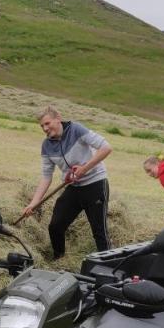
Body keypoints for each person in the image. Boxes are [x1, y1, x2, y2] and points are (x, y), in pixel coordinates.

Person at [21, 107, 112, 259]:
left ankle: (108, 263)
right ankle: (59, 259)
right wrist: (33, 203)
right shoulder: (46, 146)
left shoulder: (76, 129)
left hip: (95, 184)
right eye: (42, 126)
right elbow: (46, 177)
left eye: (47, 123)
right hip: (74, 188)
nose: (44, 128)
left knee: (99, 231)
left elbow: (106, 148)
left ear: (58, 118)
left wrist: (85, 168)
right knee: (55, 226)